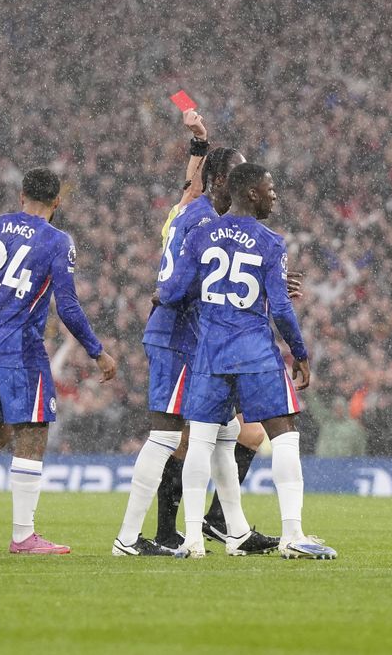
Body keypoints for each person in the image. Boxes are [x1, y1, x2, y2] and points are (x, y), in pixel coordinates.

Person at [113, 110, 278, 556]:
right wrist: (166, 294)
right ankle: (129, 538)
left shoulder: (189, 211)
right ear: (222, 181)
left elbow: (188, 188)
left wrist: (199, 144)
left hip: (195, 338)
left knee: (228, 435)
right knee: (167, 436)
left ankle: (234, 530)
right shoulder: (205, 223)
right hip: (179, 336)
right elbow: (189, 285)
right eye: (239, 173)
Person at [0, 167, 117, 554]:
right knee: (32, 435)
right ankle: (22, 536)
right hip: (21, 350)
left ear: (21, 196)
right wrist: (97, 350)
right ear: (57, 202)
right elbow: (66, 305)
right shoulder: (57, 241)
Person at [160, 162, 336, 560]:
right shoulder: (270, 241)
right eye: (270, 188)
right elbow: (283, 311)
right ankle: (293, 535)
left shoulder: (201, 234)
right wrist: (301, 353)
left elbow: (173, 291)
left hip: (210, 352)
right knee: (285, 435)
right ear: (252, 193)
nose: (274, 195)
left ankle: (190, 540)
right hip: (254, 351)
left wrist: (168, 293)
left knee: (200, 444)